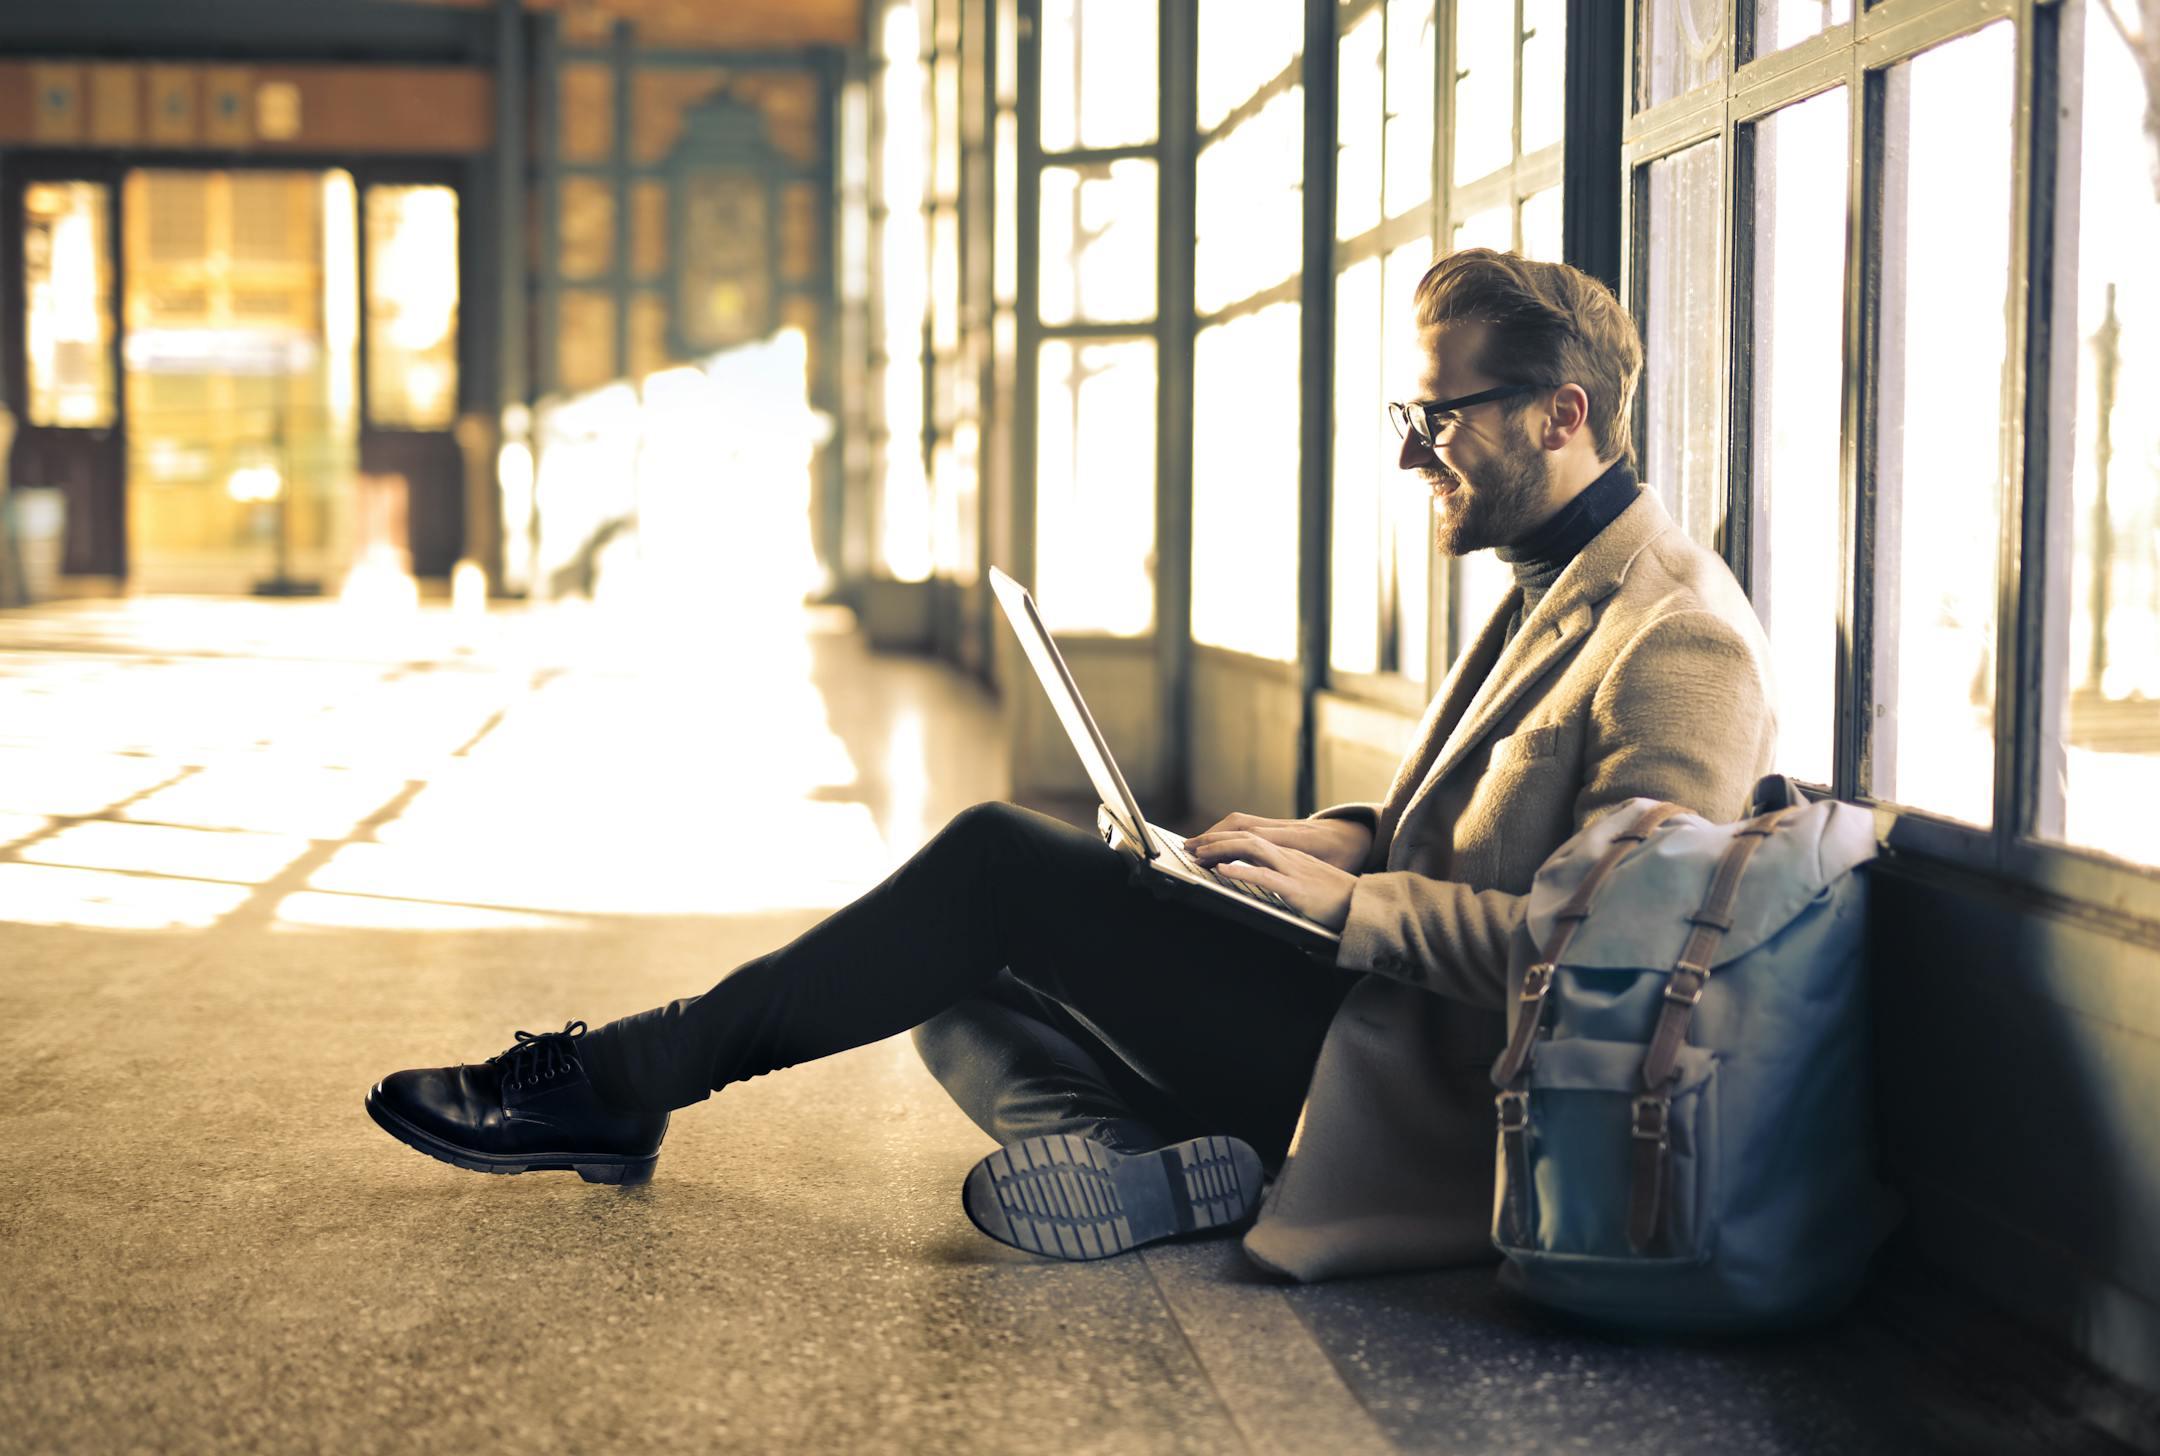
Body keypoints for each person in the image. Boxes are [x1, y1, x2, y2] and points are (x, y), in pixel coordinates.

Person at [364, 250, 1775, 1275]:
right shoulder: (1557, 576)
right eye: (1411, 422)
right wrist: (1334, 839)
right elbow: (1478, 826)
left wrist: (1340, 909)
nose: (1416, 457)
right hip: (1353, 1013)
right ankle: (1144, 1168)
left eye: (1439, 418)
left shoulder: (1676, 639)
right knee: (937, 984)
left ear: (1562, 412)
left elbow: (1616, 966)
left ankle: (621, 1081)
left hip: (1417, 1087)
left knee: (992, 863)